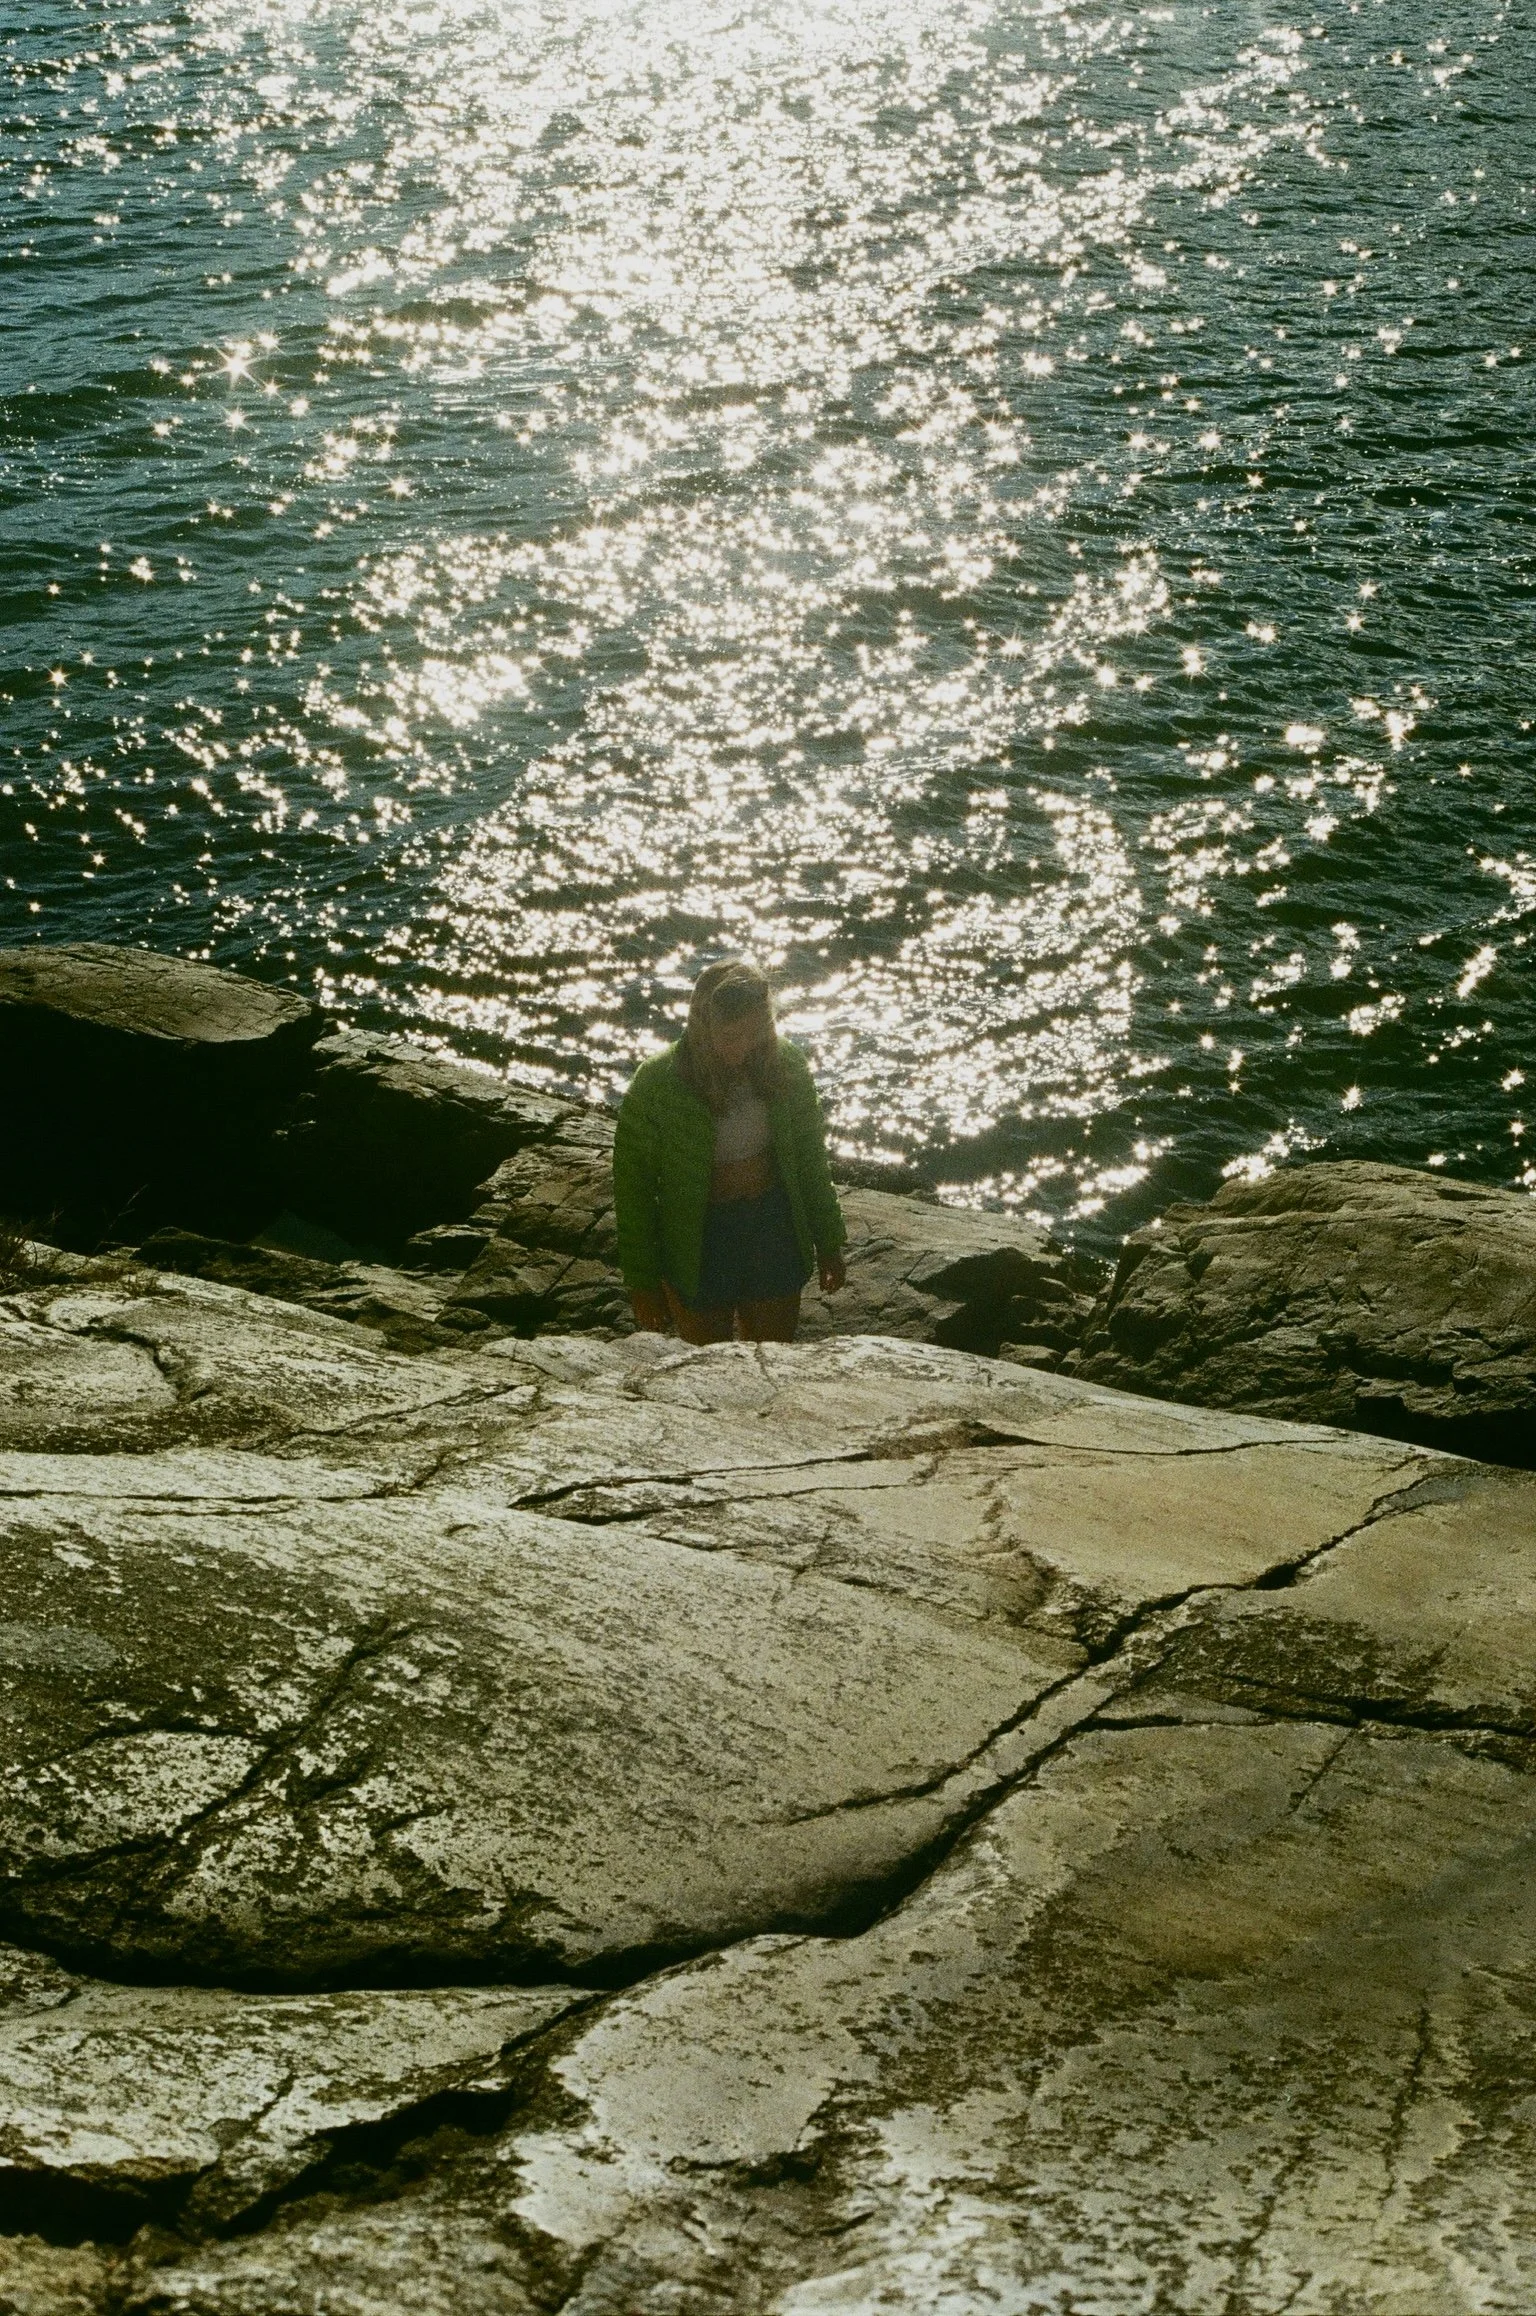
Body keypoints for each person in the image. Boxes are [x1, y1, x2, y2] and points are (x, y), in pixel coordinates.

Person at [613, 961, 847, 1344]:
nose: (745, 1047)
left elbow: (810, 1161)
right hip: (697, 1236)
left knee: (773, 1358)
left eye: (757, 1032)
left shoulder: (785, 1064)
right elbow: (633, 1188)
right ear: (703, 1025)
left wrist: (830, 1242)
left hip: (772, 1226)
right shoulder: (658, 1083)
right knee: (707, 1368)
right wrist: (642, 1283)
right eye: (732, 1035)